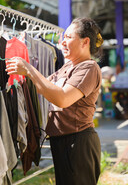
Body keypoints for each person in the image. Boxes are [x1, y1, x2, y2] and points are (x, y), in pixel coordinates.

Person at [6, 17, 104, 185]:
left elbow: (62, 99)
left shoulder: (89, 68)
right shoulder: (69, 66)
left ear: (85, 42)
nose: (63, 42)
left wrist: (29, 69)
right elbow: (43, 87)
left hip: (78, 142)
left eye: (68, 37)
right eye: (63, 37)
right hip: (63, 141)